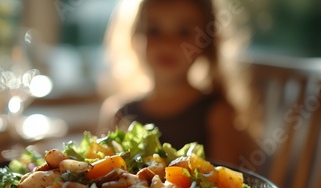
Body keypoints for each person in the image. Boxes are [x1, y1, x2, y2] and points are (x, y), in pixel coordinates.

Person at [98, 0, 254, 166]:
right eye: (154, 31)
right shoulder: (117, 113)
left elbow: (227, 185)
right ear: (135, 37)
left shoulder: (218, 115)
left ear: (207, 43)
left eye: (184, 32)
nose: (167, 43)